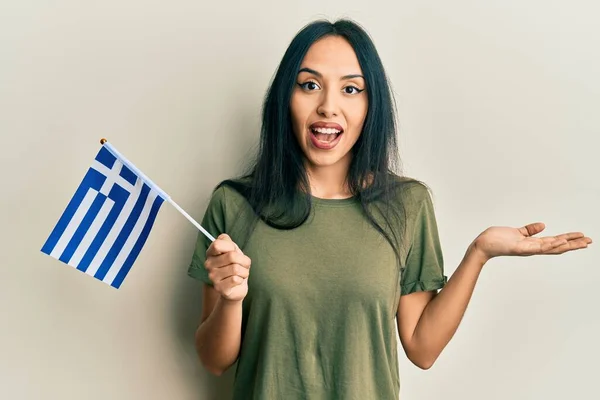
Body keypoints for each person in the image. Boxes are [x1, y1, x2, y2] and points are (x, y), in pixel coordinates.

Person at [187, 19, 592, 399]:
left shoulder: (407, 205)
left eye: (350, 89)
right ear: (285, 99)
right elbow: (214, 360)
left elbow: (422, 347)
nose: (328, 106)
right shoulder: (235, 204)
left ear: (371, 106)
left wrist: (479, 253)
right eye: (309, 85)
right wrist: (232, 299)